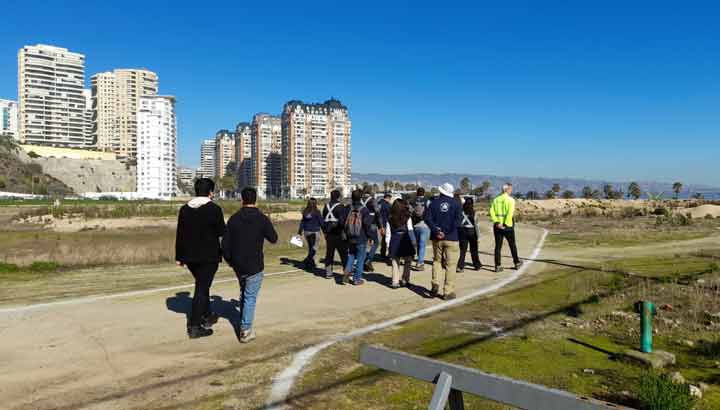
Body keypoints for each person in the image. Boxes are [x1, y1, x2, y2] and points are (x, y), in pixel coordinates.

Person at [222, 187, 278, 343]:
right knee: (250, 297)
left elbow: (225, 244)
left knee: (244, 292)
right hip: (255, 263)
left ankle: (243, 319)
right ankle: (245, 330)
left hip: (238, 263)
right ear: (256, 200)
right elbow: (273, 238)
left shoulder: (234, 218)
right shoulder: (261, 218)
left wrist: (230, 260)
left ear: (242, 200)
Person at [175, 178, 226, 339]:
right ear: (211, 192)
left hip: (189, 256)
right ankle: (195, 325)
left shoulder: (185, 209)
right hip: (208, 255)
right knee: (202, 288)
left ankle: (207, 314)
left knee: (202, 285)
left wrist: (179, 256)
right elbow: (221, 232)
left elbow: (180, 234)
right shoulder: (214, 209)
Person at [424, 182, 463, 300]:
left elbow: (427, 218)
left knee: (437, 261)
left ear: (441, 191)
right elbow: (458, 221)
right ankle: (448, 291)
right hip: (451, 238)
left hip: (437, 238)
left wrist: (437, 231)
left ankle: (435, 284)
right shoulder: (456, 204)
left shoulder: (433, 203)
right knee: (451, 265)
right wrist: (446, 232)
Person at [343, 189, 374, 285]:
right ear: (361, 198)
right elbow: (367, 225)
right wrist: (370, 237)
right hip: (361, 237)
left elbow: (343, 221)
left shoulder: (348, 208)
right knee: (360, 258)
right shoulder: (364, 210)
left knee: (351, 255)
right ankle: (357, 279)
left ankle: (347, 273)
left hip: (350, 237)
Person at [490, 183, 522, 272]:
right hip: (507, 226)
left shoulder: (496, 200)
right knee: (512, 245)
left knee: (498, 246)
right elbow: (509, 213)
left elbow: (492, 212)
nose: (511, 190)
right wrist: (505, 225)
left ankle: (497, 265)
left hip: (497, 226)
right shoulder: (511, 200)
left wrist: (497, 222)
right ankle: (516, 262)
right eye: (511, 189)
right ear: (507, 189)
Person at [388, 198, 417, 288]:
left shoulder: (390, 218)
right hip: (405, 238)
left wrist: (388, 244)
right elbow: (410, 229)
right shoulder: (407, 216)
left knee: (395, 261)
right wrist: (414, 242)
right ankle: (405, 279)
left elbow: (388, 232)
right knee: (408, 260)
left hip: (394, 238)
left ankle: (395, 281)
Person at [322, 189, 348, 279]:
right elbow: (343, 222)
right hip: (339, 233)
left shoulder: (326, 206)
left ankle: (328, 272)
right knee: (343, 254)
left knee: (329, 253)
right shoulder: (341, 207)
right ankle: (346, 272)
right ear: (338, 197)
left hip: (328, 234)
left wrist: (325, 231)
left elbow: (323, 220)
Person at [457, 197, 482, 272]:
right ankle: (477, 265)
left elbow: (458, 223)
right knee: (474, 250)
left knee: (462, 250)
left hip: (463, 232)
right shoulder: (474, 213)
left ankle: (460, 266)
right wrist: (478, 237)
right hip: (472, 232)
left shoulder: (461, 212)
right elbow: (476, 225)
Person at [298, 198, 323, 271]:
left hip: (306, 232)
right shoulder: (317, 212)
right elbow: (321, 222)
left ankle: (311, 263)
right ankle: (307, 260)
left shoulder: (305, 212)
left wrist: (300, 231)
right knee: (314, 248)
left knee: (310, 248)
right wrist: (325, 231)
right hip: (315, 232)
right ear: (315, 204)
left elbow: (302, 222)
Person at [409, 187, 430, 271]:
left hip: (415, 225)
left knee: (417, 244)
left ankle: (416, 258)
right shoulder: (427, 201)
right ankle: (420, 262)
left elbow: (410, 211)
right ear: (424, 193)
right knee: (422, 244)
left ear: (417, 193)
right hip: (425, 224)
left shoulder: (412, 201)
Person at [364, 197, 383, 272]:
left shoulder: (361, 200)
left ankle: (365, 262)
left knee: (364, 244)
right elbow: (377, 212)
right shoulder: (372, 200)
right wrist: (380, 226)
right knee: (376, 242)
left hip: (361, 225)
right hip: (372, 224)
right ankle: (369, 259)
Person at [378, 193, 392, 260]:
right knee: (386, 239)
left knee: (382, 240)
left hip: (378, 224)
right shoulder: (387, 205)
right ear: (388, 198)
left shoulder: (379, 203)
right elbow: (390, 215)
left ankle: (382, 253)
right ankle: (387, 254)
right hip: (386, 224)